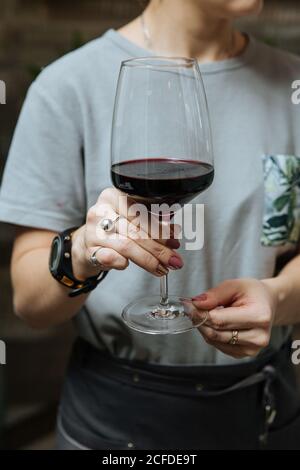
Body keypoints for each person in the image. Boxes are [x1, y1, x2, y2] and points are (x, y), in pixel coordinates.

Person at [0, 0, 300, 450]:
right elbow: (29, 302)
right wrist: (82, 252)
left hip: (265, 416)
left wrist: (276, 298)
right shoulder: (68, 85)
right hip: (117, 423)